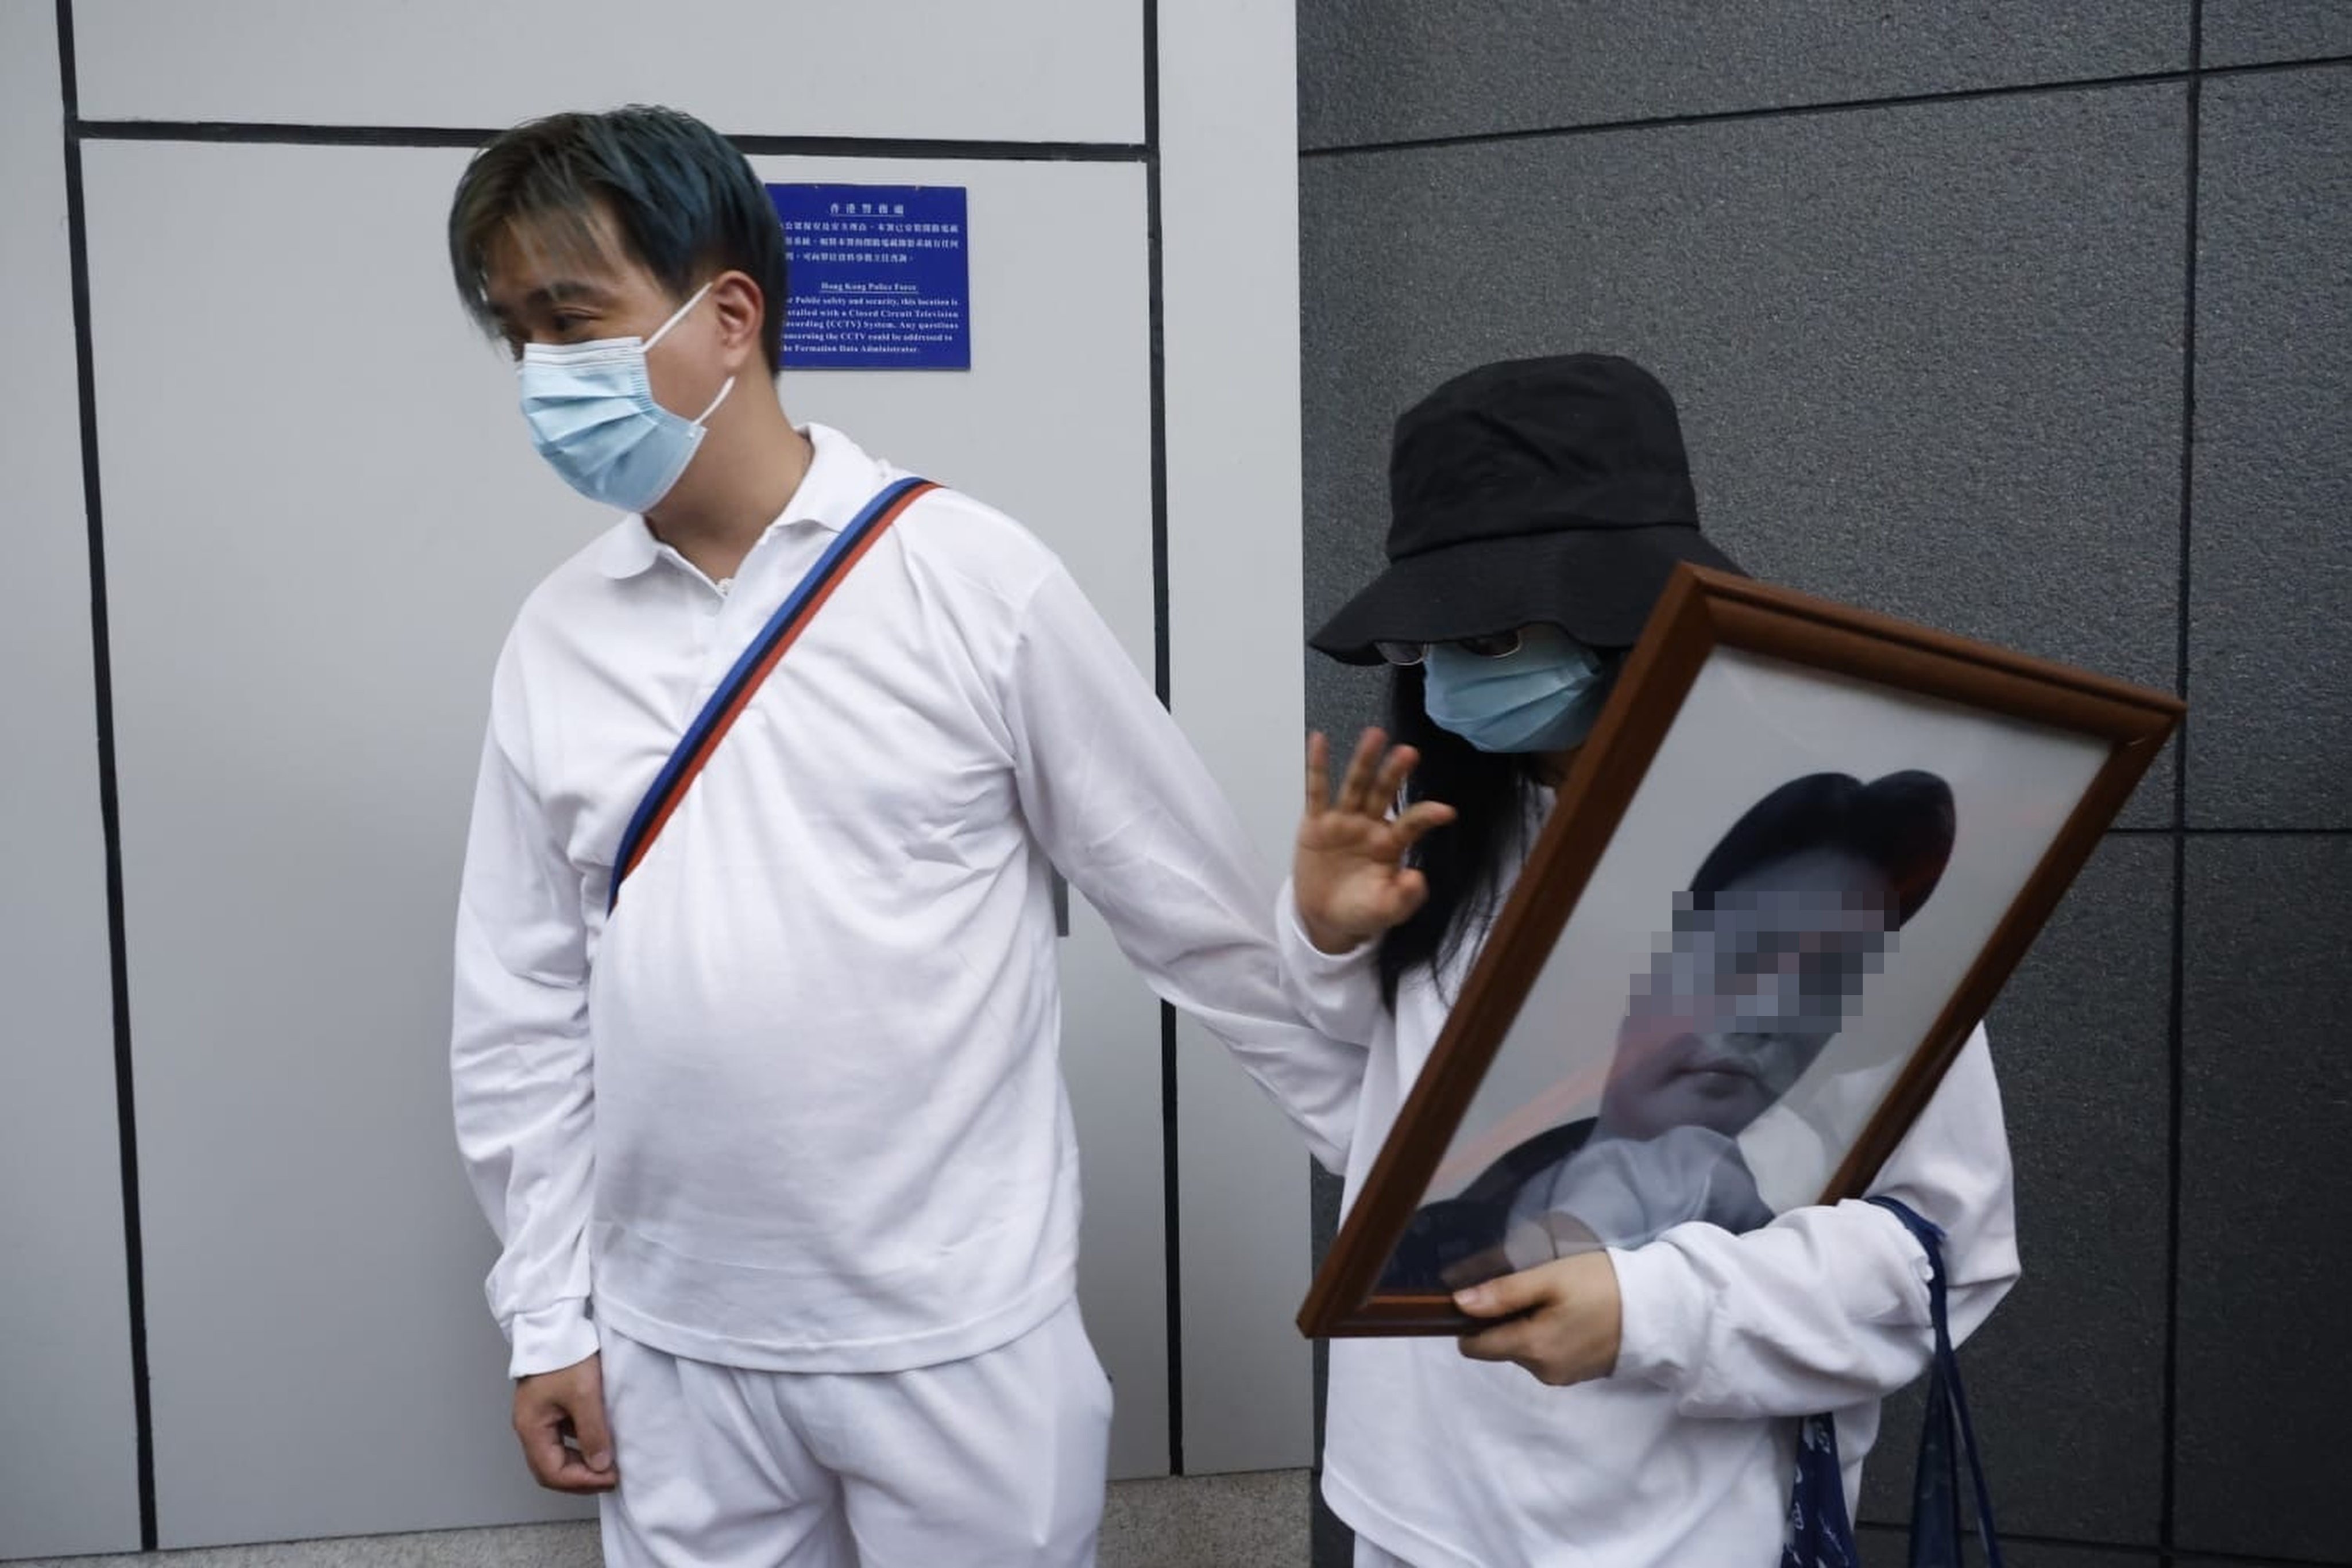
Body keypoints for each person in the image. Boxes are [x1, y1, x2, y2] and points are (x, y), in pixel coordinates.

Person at [442, 105, 1362, 1567]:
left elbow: (1197, 918)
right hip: (672, 1346)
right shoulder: (556, 636)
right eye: (518, 338)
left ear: (728, 313)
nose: (547, 377)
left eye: (574, 319)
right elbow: (520, 1006)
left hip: (956, 1337)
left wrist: (1427, 1179)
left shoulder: (968, 580)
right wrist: (548, 1314)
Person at [1283, 353, 2018, 1567]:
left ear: (1628, 612)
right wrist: (1325, 939)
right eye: (1438, 637)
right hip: (1417, 1504)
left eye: (1492, 630)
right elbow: (1368, 1132)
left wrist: (1655, 1309)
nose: (1460, 672)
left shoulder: (1816, 873)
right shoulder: (1431, 842)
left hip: (1676, 1524)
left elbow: (1944, 1245)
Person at [1384, 767, 1959, 1291]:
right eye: (1740, 955)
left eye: (1828, 979)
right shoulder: (1445, 1221)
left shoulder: (1811, 1183)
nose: (1767, 1013)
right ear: (1636, 964)